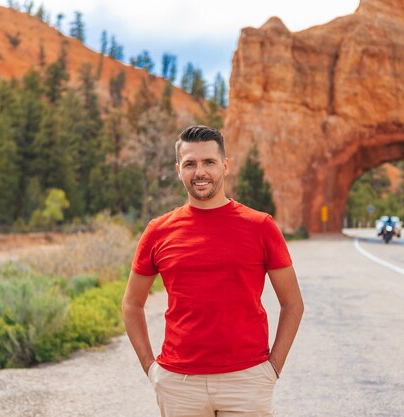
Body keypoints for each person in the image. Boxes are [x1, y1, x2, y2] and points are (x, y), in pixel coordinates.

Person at [122, 125, 304, 417]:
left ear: (225, 165)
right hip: (179, 384)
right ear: (179, 169)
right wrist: (151, 370)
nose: (200, 172)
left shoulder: (260, 226)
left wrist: (272, 368)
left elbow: (293, 303)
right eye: (190, 164)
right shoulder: (158, 231)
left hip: (246, 380)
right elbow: (132, 304)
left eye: (209, 162)